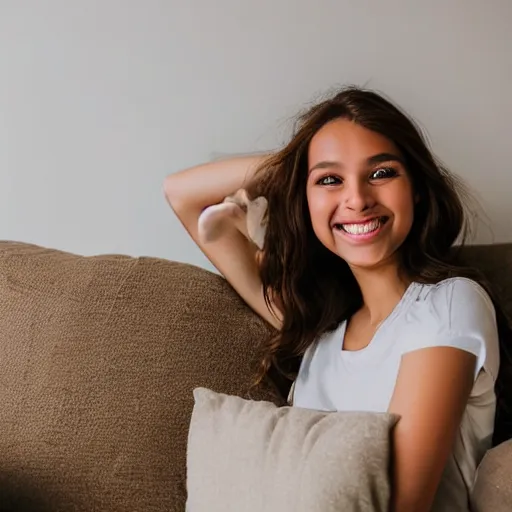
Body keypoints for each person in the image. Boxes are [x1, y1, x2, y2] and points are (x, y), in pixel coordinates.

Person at [163, 86, 511, 511]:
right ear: (304, 200)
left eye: (381, 172)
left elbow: (399, 501)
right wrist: (297, 164)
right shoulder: (320, 331)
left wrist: (316, 167)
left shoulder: (449, 305)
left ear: (416, 188)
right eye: (330, 180)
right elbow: (180, 193)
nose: (358, 199)